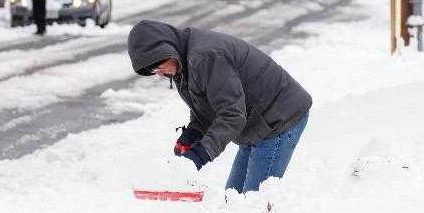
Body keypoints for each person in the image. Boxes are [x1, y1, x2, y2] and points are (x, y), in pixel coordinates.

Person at [127, 20, 312, 194]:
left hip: (279, 119)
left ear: (166, 49)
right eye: (153, 71)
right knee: (232, 198)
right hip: (255, 122)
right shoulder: (180, 63)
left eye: (158, 67)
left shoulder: (206, 57)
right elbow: (210, 105)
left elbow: (232, 115)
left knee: (253, 205)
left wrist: (200, 154)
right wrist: (193, 134)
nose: (159, 74)